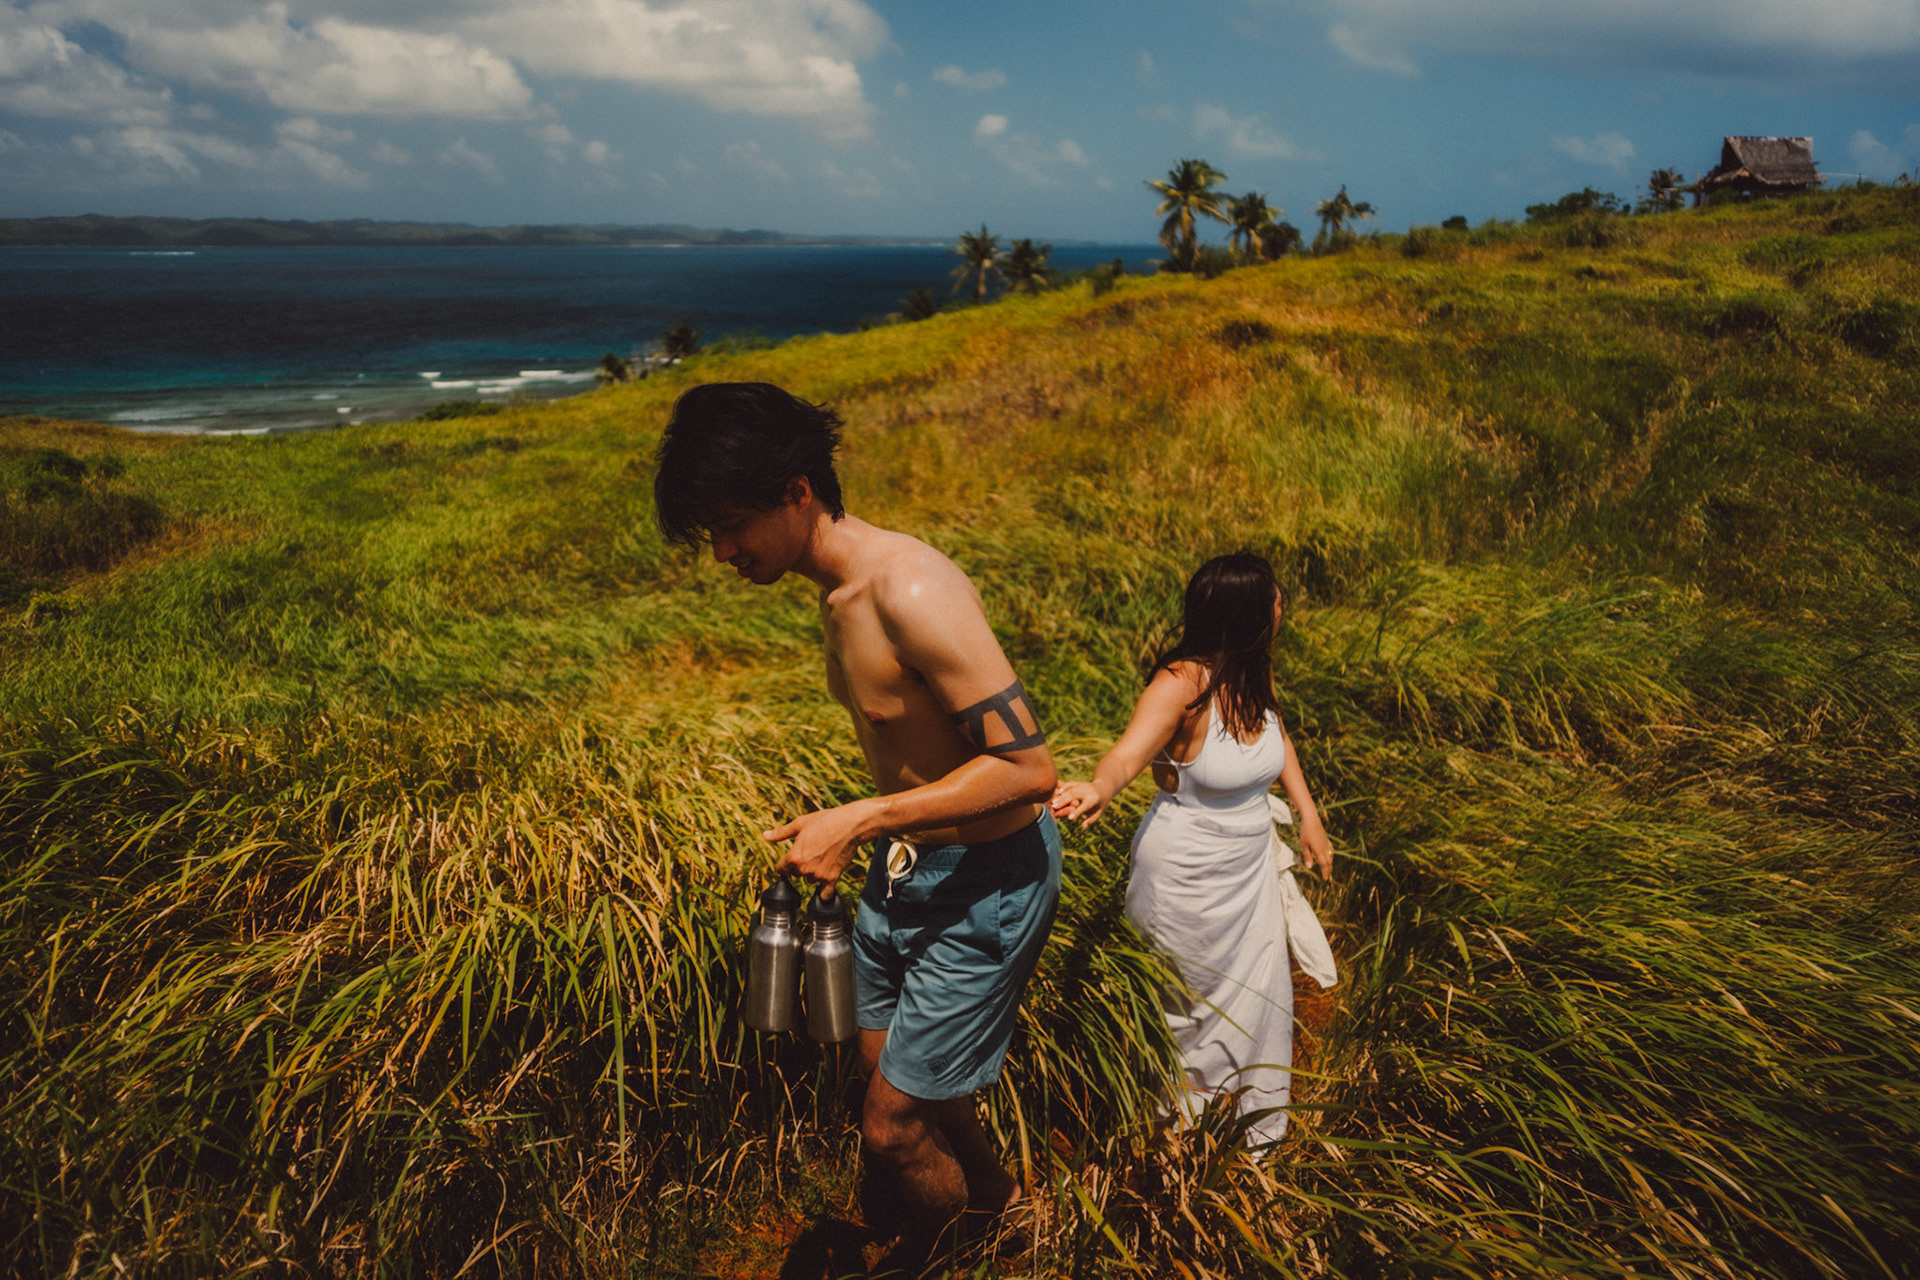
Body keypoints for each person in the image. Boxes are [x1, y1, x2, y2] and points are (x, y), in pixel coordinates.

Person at [652, 381, 1061, 1259]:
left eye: (732, 524)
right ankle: (1005, 1207)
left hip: (984, 882)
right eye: (710, 532)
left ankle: (960, 1261)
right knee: (886, 1075)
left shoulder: (909, 586)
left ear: (798, 491)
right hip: (906, 871)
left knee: (890, 1130)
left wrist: (865, 817)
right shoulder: (835, 594)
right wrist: (870, 827)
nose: (722, 551)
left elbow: (1029, 771)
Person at [1050, 552, 1334, 1146]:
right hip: (1184, 873)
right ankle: (1170, 1143)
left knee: (1258, 996)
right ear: (1249, 614)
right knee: (1183, 1002)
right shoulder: (1183, 681)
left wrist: (1308, 814)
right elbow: (1128, 753)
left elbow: (1278, 740)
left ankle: (1248, 1134)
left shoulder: (1254, 671)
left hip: (1249, 871)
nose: (1283, 607)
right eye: (1275, 599)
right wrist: (1100, 787)